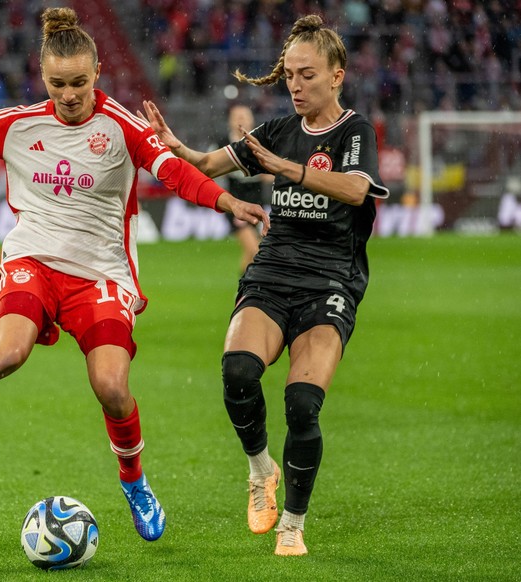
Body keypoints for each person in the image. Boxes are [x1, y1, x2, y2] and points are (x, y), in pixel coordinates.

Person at [0, 6, 269, 542]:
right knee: (8, 352)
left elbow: (174, 172)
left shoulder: (123, 127)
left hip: (101, 272)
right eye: (58, 84)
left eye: (79, 82)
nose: (69, 94)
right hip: (32, 258)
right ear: (44, 78)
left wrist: (224, 201)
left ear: (97, 73)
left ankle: (134, 482)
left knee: (111, 386)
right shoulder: (18, 125)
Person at [141, 14, 389, 556]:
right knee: (237, 370)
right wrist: (176, 147)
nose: (295, 86)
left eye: (307, 75)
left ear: (337, 75)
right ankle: (260, 470)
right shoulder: (277, 131)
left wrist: (289, 170)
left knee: (302, 405)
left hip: (331, 280)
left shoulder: (355, 132)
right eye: (290, 76)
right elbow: (210, 164)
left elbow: (353, 190)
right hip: (273, 270)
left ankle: (293, 524)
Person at [214, 104, 271, 275]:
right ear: (230, 121)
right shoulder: (222, 144)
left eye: (244, 116)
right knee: (255, 251)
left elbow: (272, 173)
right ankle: (249, 290)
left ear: (252, 120)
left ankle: (242, 288)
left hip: (257, 203)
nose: (240, 120)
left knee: (252, 253)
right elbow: (211, 171)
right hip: (235, 204)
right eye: (236, 116)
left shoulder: (260, 142)